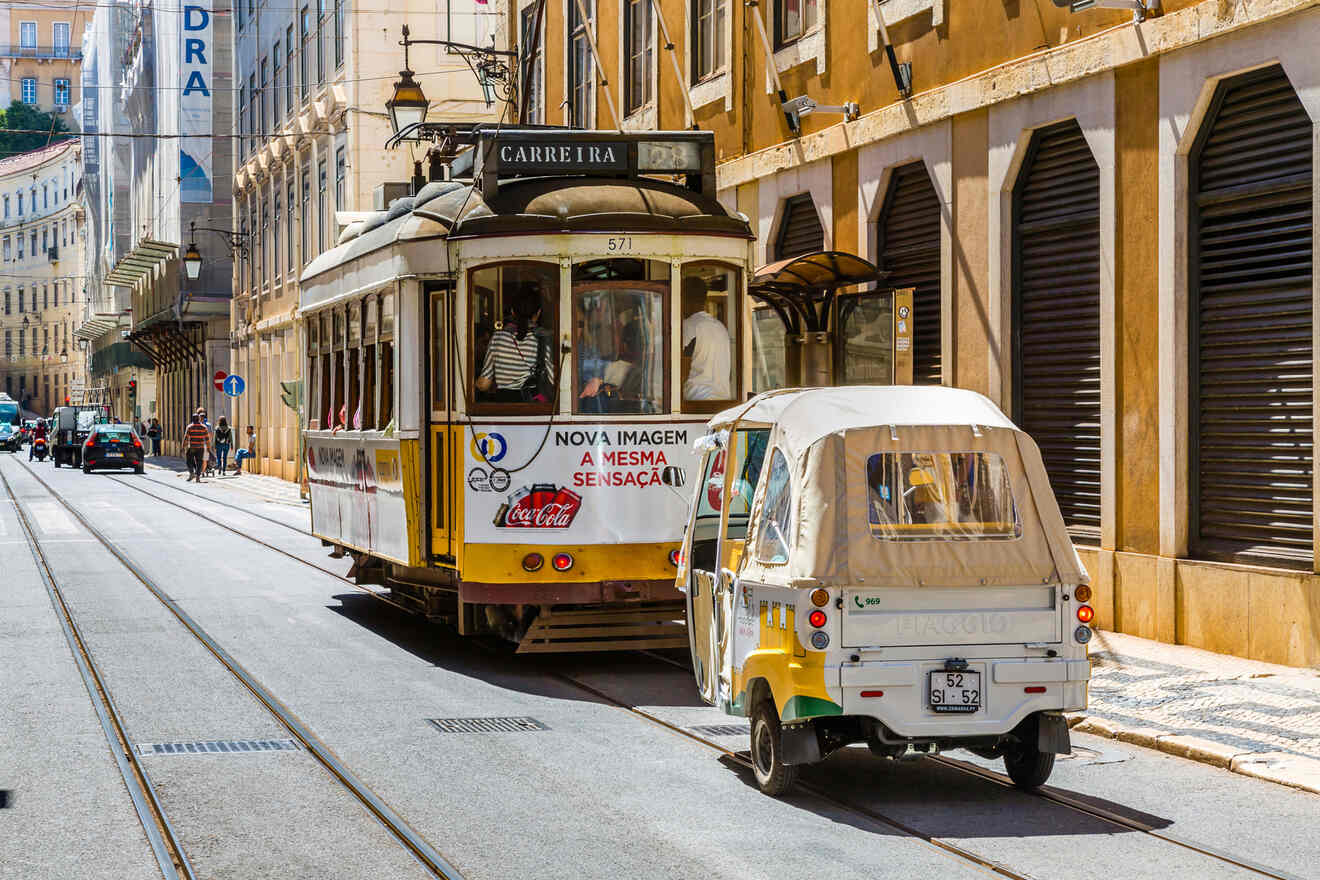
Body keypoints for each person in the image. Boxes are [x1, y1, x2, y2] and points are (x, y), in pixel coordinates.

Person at [474, 292, 553, 403]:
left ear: (512, 311)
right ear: (538, 312)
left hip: (504, 406)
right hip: (532, 406)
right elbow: (554, 379)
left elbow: (484, 384)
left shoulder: (497, 338)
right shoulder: (543, 339)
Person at [681, 276, 732, 401]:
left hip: (695, 401)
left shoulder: (688, 326)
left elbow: (681, 369)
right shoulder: (720, 327)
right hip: (723, 401)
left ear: (683, 298)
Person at [182, 412, 211, 482]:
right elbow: (207, 438)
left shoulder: (189, 427)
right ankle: (198, 477)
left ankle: (191, 473)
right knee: (199, 462)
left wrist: (183, 447)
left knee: (189, 460)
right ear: (198, 419)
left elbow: (186, 438)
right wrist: (208, 448)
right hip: (200, 447)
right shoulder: (203, 427)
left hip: (192, 447)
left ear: (192, 419)